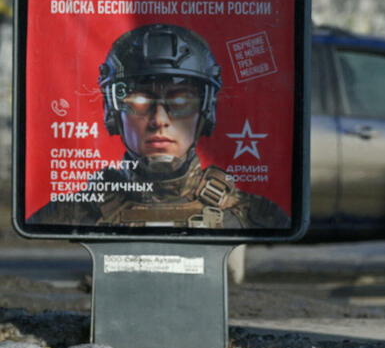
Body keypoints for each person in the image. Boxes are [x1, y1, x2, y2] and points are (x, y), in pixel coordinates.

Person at [29, 23, 289, 229]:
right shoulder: (70, 213)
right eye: (140, 100)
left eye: (181, 100)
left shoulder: (251, 214)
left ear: (205, 110)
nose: (159, 120)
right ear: (113, 111)